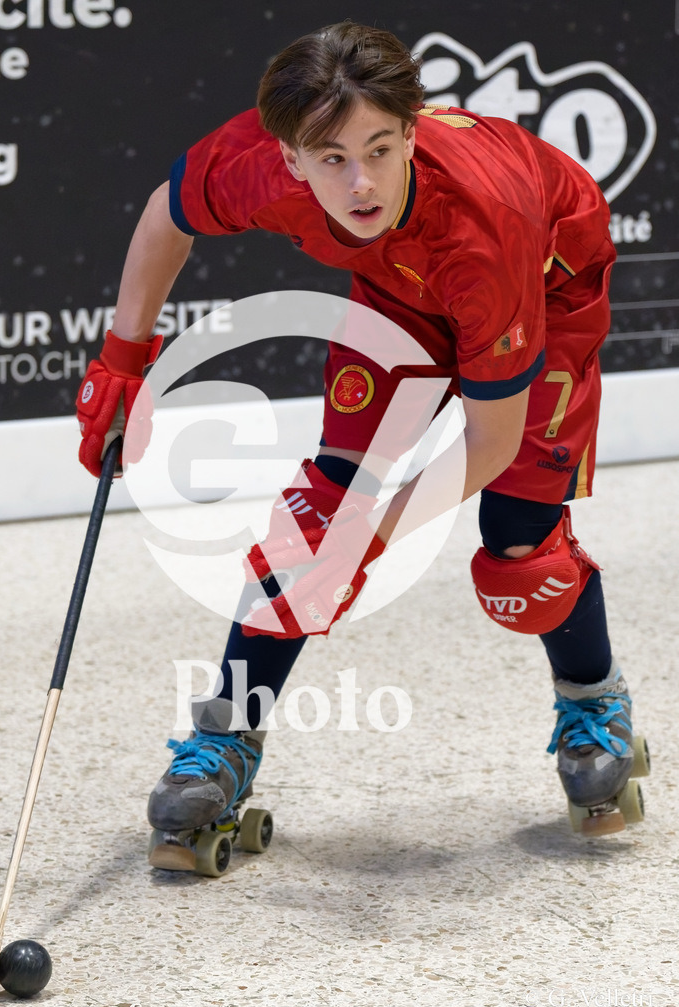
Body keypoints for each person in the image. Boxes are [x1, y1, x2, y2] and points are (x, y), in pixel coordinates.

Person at [75, 22, 649, 861]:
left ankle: (594, 704)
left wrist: (366, 541)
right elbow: (168, 214)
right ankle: (226, 742)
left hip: (544, 281)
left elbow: (489, 440)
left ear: (413, 131)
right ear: (290, 160)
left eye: (382, 148)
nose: (362, 181)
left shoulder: (484, 229)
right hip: (401, 288)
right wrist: (122, 359)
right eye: (334, 159)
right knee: (312, 526)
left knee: (519, 549)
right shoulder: (259, 165)